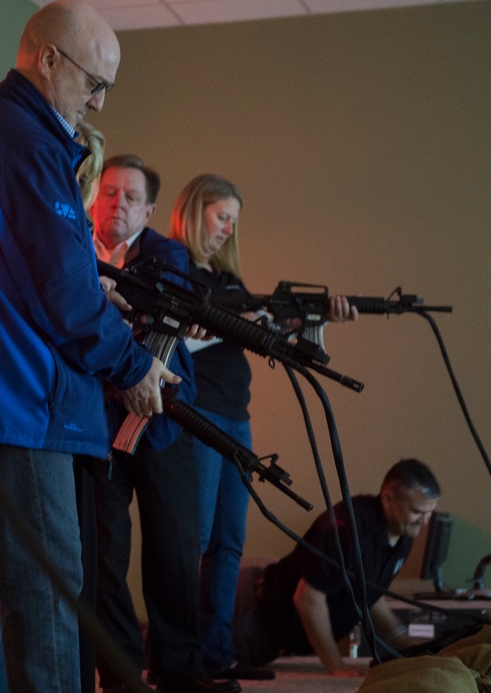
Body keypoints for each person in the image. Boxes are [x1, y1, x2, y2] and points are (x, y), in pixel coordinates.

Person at [0, 0, 179, 693]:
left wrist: (93, 292)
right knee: (49, 581)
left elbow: (31, 267)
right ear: (48, 59)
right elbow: (56, 285)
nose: (100, 99)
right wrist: (130, 362)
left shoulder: (10, 130)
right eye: (93, 81)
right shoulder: (24, 140)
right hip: (20, 400)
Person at [167, 173, 357, 681]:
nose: (229, 228)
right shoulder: (175, 265)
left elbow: (270, 336)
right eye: (221, 215)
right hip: (197, 409)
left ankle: (218, 652)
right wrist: (244, 322)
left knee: (229, 539)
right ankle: (184, 658)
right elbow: (175, 339)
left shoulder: (228, 280)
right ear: (193, 211)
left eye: (233, 219)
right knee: (199, 536)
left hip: (235, 413)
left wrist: (310, 324)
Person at [89, 155, 237, 693]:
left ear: (149, 210)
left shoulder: (168, 254)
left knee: (174, 550)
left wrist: (103, 306)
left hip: (162, 423)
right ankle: (123, 675)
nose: (117, 204)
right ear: (93, 199)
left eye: (130, 197)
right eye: (109, 193)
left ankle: (178, 670)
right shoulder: (75, 249)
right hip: (98, 429)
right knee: (105, 556)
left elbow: (160, 309)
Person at [233, 458, 441, 675]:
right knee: (207, 673)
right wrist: (336, 666)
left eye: (429, 513)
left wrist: (411, 646)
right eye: (418, 512)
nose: (424, 521)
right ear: (388, 499)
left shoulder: (403, 536)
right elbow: (307, 599)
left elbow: (369, 596)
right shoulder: (346, 528)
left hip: (273, 636)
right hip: (249, 612)